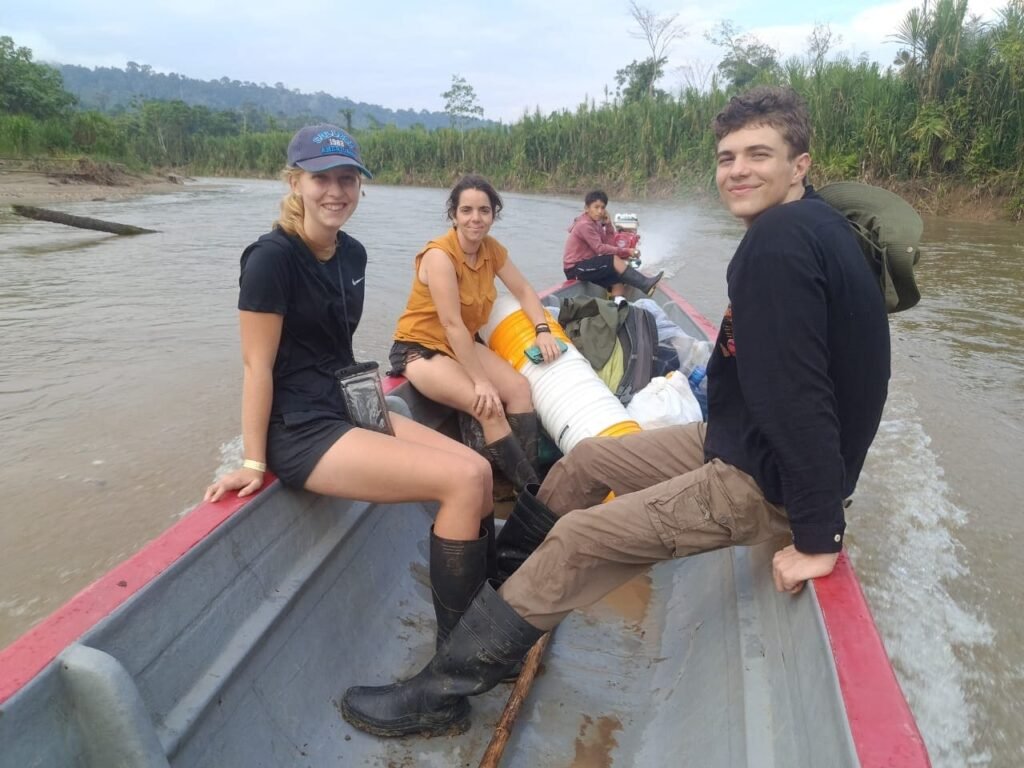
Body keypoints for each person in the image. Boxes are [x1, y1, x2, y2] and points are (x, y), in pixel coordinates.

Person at [340, 85, 892, 737]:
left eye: (758, 155)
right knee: (588, 460)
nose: (738, 170)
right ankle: (503, 591)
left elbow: (803, 397)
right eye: (727, 157)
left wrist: (820, 533)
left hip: (766, 478)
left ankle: (443, 692)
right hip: (740, 438)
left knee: (577, 539)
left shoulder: (777, 244)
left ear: (799, 164)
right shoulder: (811, 223)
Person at [204, 125, 498, 652]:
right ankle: (457, 661)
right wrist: (252, 461)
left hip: (346, 405)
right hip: (301, 429)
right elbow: (256, 366)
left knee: (479, 471)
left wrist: (371, 408)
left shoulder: (352, 254)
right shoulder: (271, 259)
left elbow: (336, 351)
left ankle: (486, 605)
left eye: (347, 179)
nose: (335, 191)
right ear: (295, 182)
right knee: (459, 483)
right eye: (321, 178)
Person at [388, 174, 563, 493]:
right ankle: (535, 496)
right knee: (488, 407)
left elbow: (524, 290)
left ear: (494, 215)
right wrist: (481, 381)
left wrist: (543, 330)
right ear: (453, 215)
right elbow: (451, 323)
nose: (475, 218)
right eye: (466, 210)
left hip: (462, 342)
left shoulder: (491, 250)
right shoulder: (440, 256)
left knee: (520, 390)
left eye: (484, 210)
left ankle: (522, 484)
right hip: (422, 348)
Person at [562, 189, 663, 296]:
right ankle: (645, 284)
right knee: (613, 259)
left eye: (603, 208)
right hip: (575, 268)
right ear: (587, 208)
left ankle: (619, 305)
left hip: (587, 264)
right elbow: (600, 249)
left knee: (617, 283)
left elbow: (609, 245)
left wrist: (608, 224)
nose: (600, 211)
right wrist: (627, 251)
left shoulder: (596, 223)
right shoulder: (584, 225)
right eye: (596, 207)